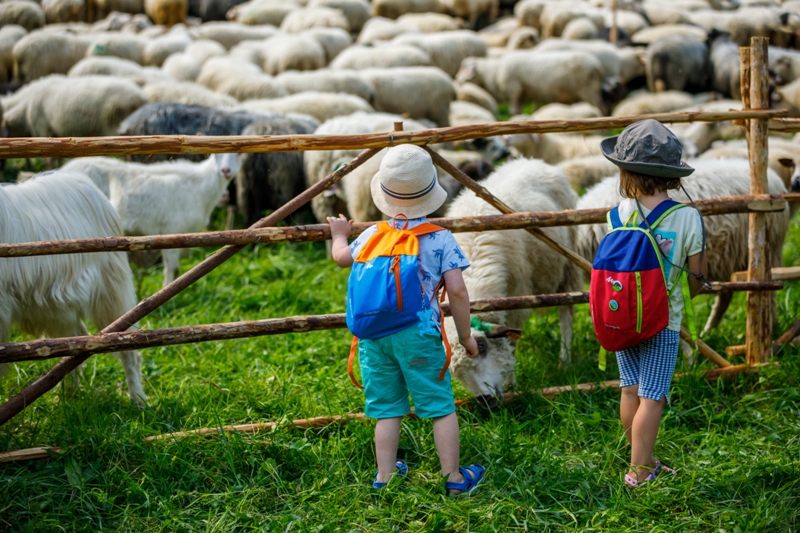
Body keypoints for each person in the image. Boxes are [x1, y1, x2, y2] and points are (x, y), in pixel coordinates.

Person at [327, 144, 486, 494]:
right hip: (419, 336)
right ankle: (454, 479)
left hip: (374, 337)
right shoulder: (440, 238)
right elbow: (457, 292)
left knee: (387, 410)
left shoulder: (371, 235)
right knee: (440, 407)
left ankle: (384, 477)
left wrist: (339, 235)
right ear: (430, 192)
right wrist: (465, 337)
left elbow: (341, 258)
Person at [599, 119, 709, 487]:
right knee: (653, 397)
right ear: (672, 174)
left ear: (624, 170)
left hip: (622, 317)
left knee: (630, 389)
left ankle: (639, 454)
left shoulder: (617, 213)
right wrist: (692, 291)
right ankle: (640, 471)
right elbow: (696, 274)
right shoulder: (687, 217)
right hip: (663, 322)